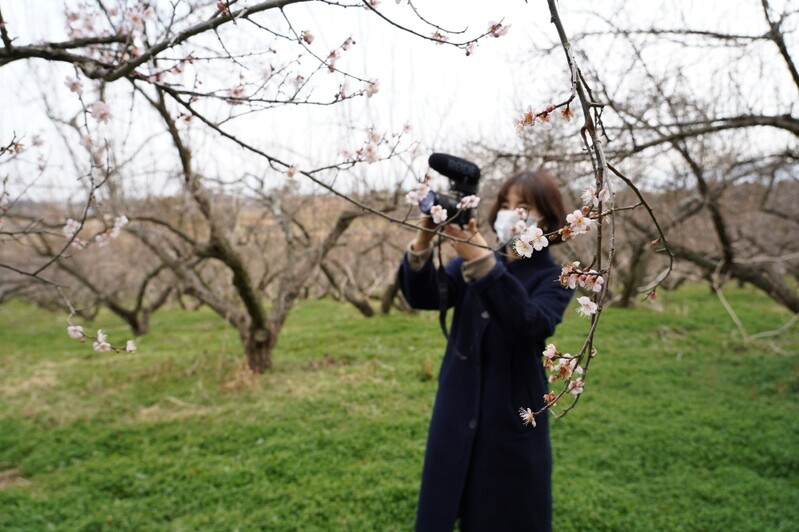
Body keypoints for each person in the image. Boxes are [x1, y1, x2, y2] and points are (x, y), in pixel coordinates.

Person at [398, 169, 574, 531]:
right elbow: (424, 295)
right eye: (506, 204)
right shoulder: (470, 261)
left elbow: (529, 322)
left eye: (523, 206)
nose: (511, 214)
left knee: (506, 515)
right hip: (457, 409)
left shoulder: (555, 277)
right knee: (444, 506)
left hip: (509, 420)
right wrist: (422, 241)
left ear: (548, 217)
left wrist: (482, 262)